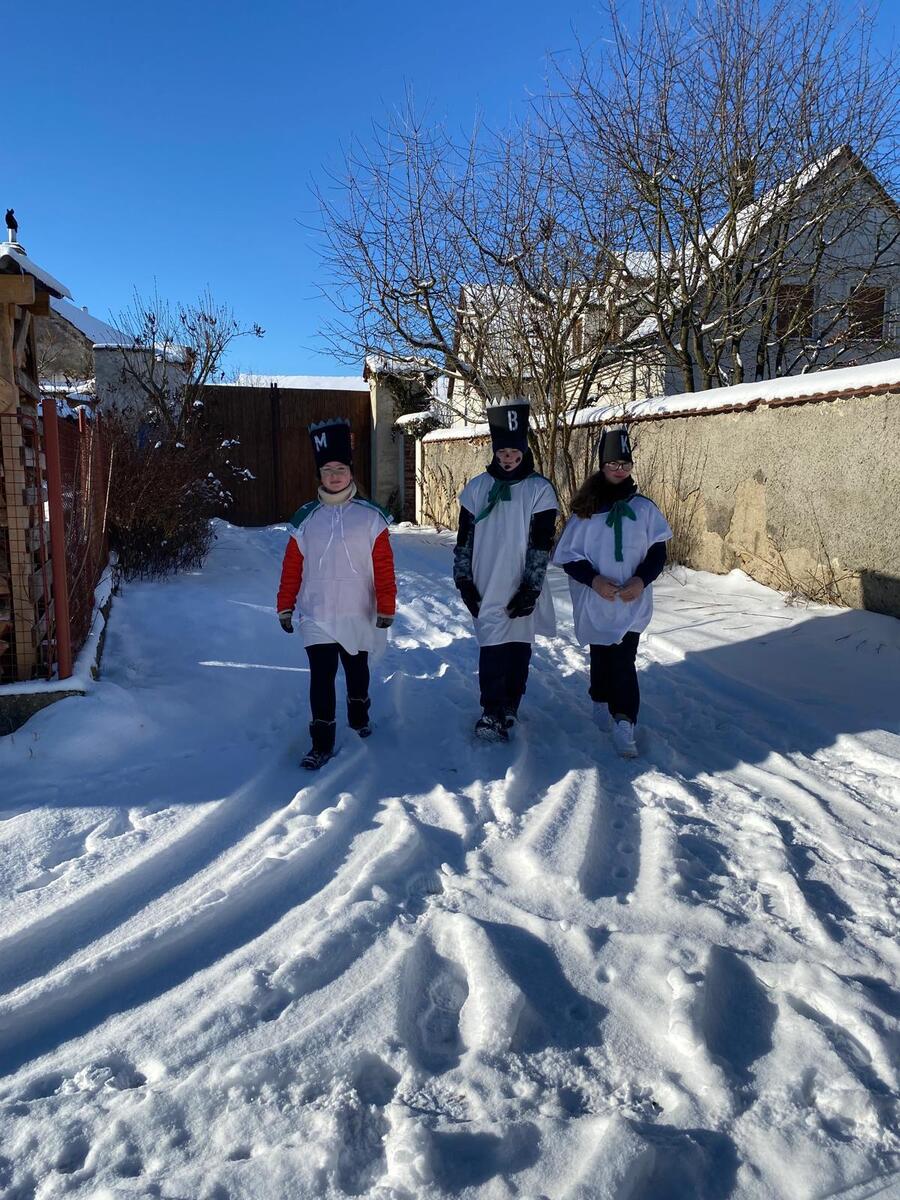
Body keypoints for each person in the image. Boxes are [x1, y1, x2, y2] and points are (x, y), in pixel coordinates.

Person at [277, 418, 396, 769]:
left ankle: (359, 715)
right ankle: (321, 742)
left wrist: (386, 606)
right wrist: (285, 605)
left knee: (357, 671)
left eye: (340, 469)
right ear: (319, 474)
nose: (334, 476)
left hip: (358, 611)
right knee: (321, 677)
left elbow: (384, 567)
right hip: (317, 613)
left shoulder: (371, 518)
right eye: (327, 470)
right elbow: (292, 567)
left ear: (351, 472)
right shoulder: (305, 519)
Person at [552, 427, 671, 758]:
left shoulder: (644, 509)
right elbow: (569, 557)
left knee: (623, 659)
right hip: (598, 600)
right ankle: (599, 698)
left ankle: (624, 721)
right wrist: (593, 580)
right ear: (602, 466)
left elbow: (657, 553)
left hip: (631, 600)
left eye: (625, 464)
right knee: (602, 654)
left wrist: (641, 580)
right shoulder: (586, 512)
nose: (620, 469)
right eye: (613, 464)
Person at [453, 399, 558, 741]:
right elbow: (464, 539)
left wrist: (531, 587)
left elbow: (541, 542)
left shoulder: (539, 490)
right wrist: (463, 579)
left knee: (518, 646)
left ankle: (511, 703)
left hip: (520, 580)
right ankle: (491, 710)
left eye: (513, 452)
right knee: (492, 646)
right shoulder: (477, 488)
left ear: (523, 450)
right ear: (494, 451)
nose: (508, 458)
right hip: (485, 580)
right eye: (502, 452)